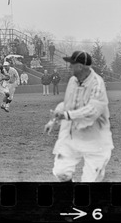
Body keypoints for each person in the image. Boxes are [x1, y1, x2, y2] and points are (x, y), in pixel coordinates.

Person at [44, 51, 114, 182]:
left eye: (72, 64)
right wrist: (53, 120)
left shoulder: (97, 84)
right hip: (74, 136)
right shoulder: (73, 81)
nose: (70, 67)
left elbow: (92, 110)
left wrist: (67, 115)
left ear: (81, 67)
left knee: (90, 180)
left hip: (96, 139)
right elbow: (67, 104)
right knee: (61, 172)